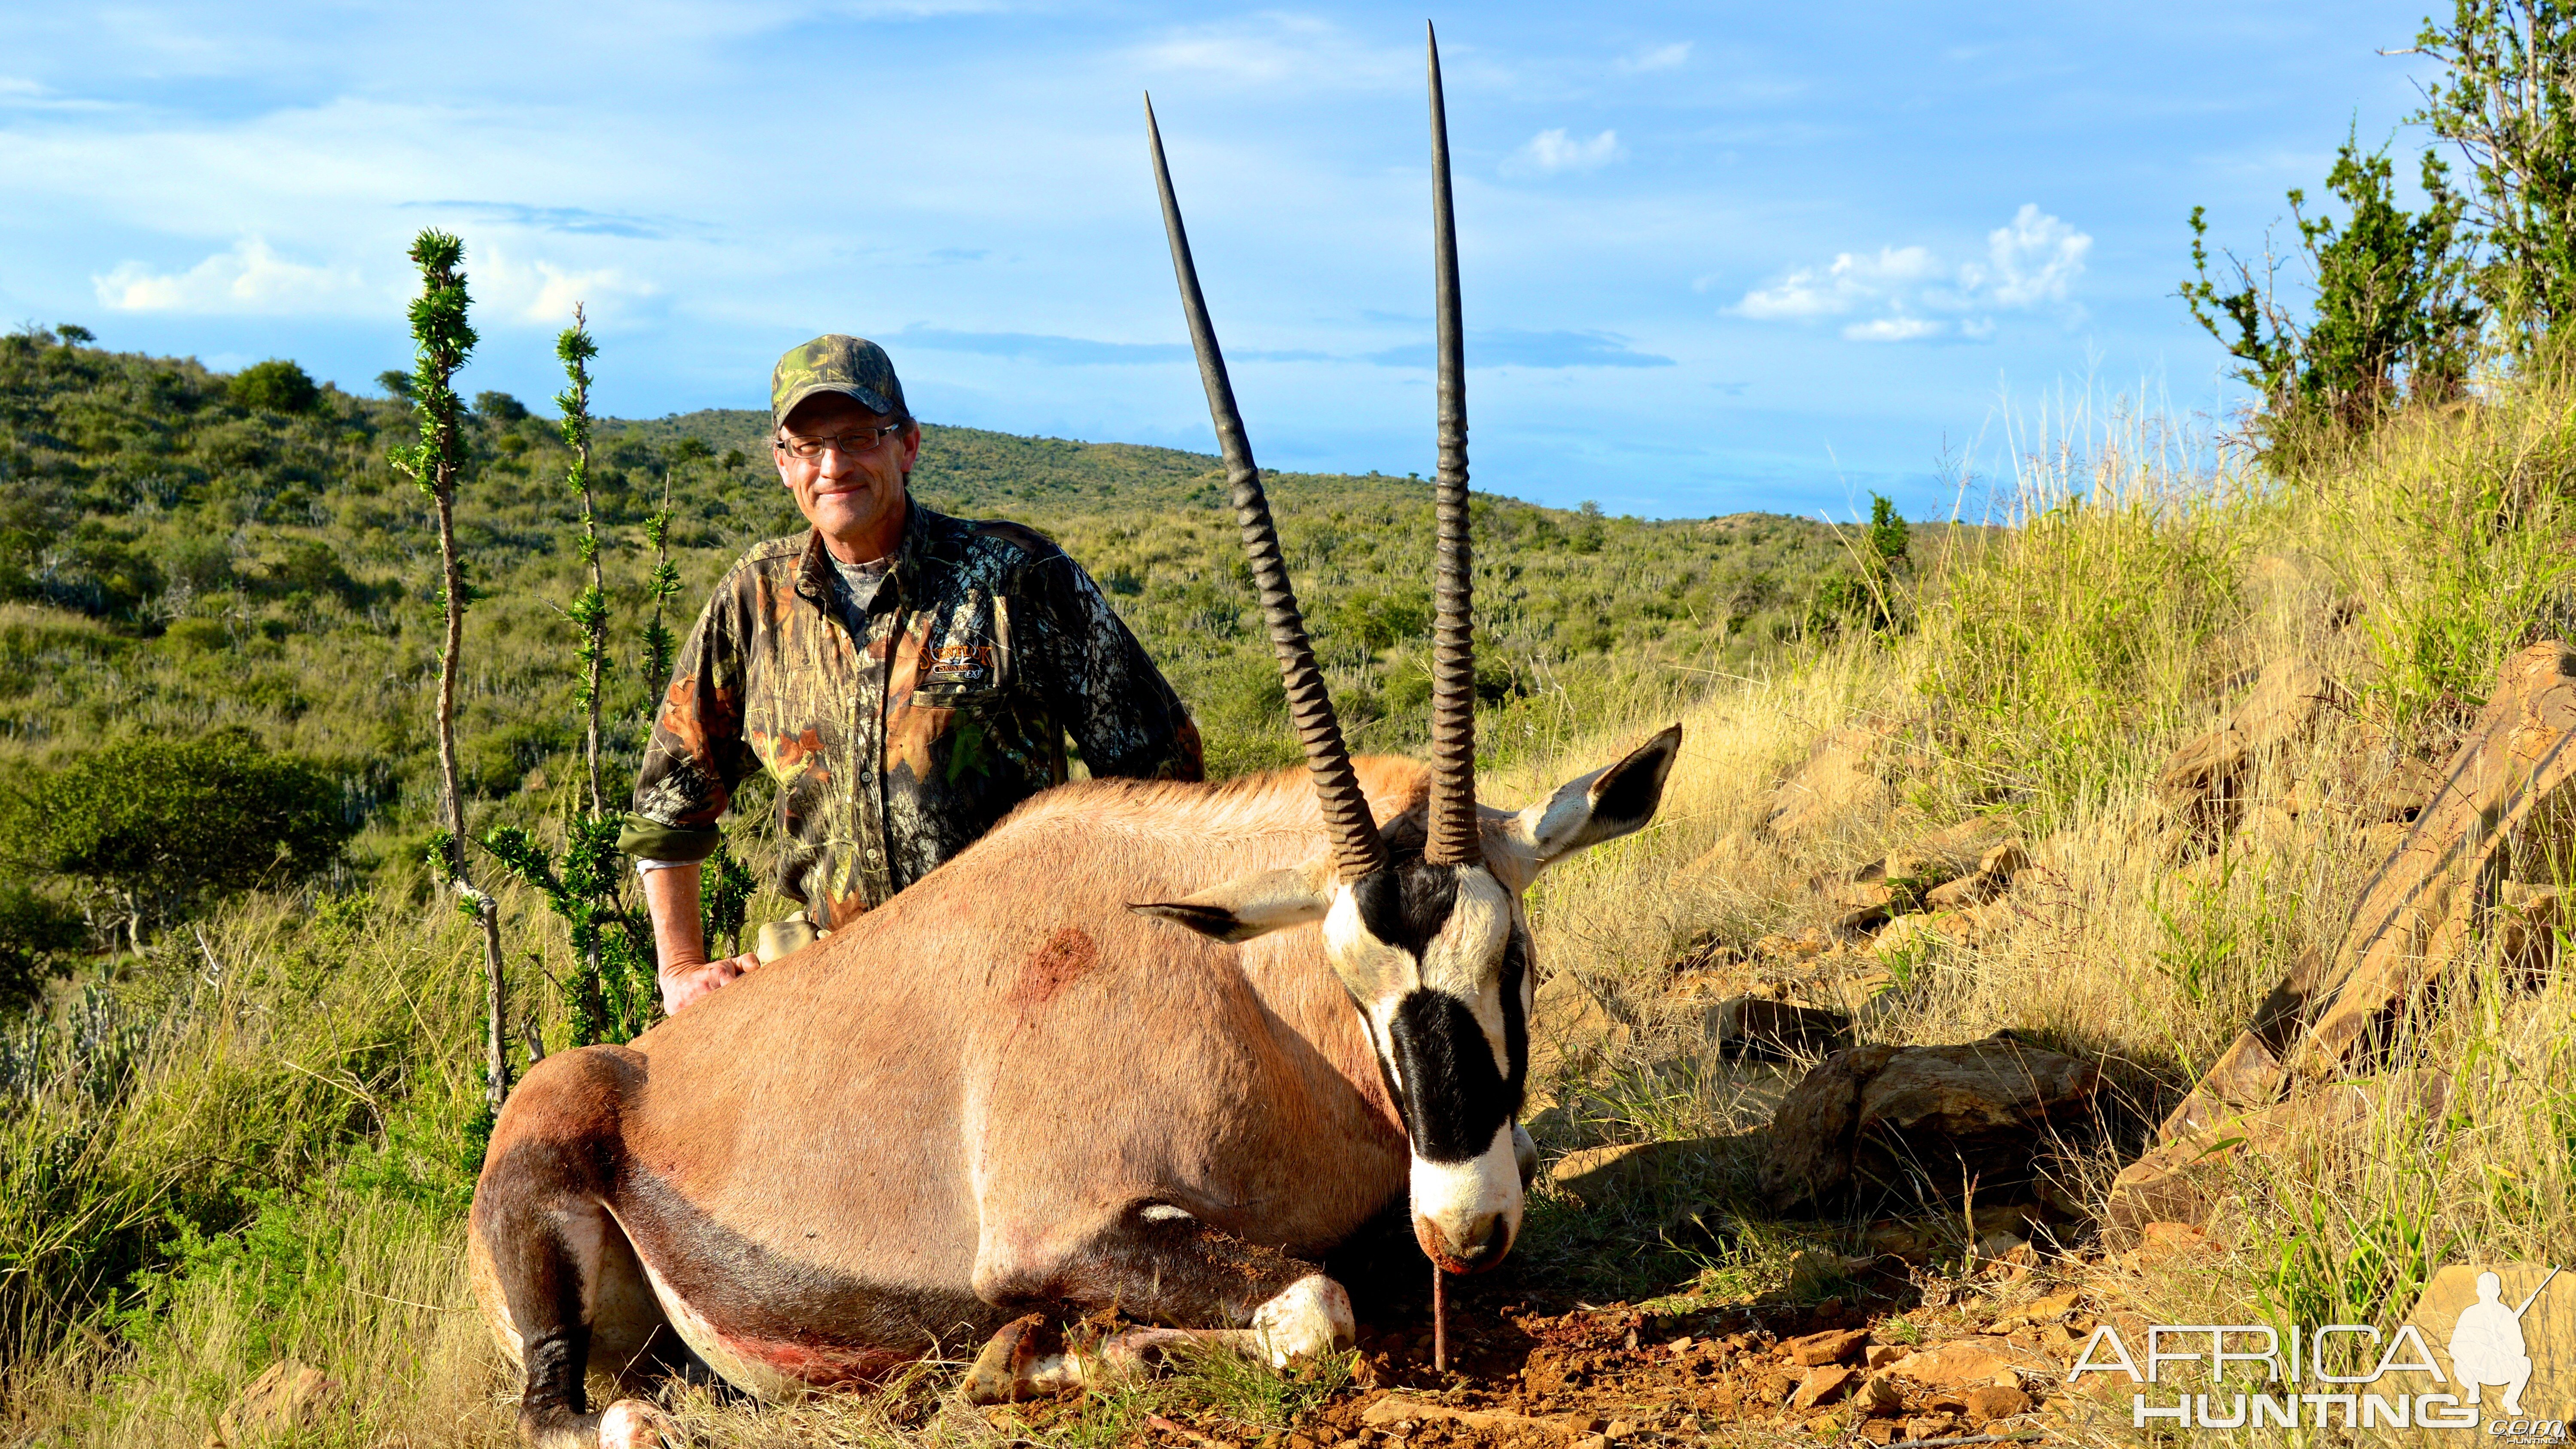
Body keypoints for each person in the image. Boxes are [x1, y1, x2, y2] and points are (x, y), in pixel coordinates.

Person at [621, 334, 1203, 1013]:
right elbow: (669, 802)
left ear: (908, 445)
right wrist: (682, 968)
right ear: (784, 464)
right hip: (832, 991)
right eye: (808, 446)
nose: (833, 465)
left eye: (859, 436)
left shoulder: (1018, 576)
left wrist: (1133, 946)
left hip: (1012, 982)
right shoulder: (754, 599)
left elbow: (1164, 773)